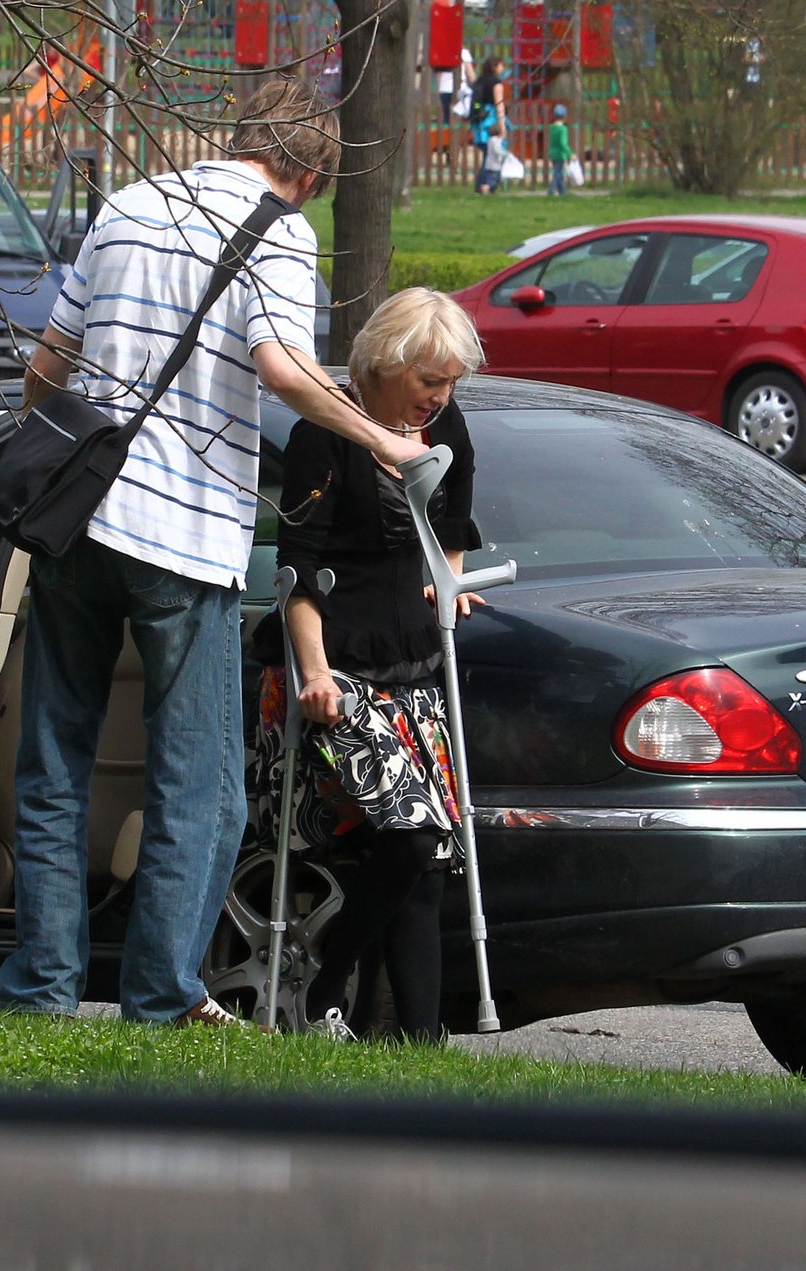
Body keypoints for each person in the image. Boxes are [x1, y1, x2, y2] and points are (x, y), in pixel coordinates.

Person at [0, 80, 428, 1029]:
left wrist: (54, 467)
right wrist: (381, 440)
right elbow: (281, 365)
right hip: (183, 537)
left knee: (53, 765)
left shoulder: (127, 205)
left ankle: (41, 991)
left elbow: (47, 366)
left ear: (238, 138)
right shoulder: (282, 227)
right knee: (202, 789)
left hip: (77, 524)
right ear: (310, 170)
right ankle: (159, 998)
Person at [249, 288, 485, 1043]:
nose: (439, 397)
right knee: (411, 836)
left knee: (420, 865)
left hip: (413, 662)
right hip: (337, 668)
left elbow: (454, 525)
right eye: (427, 380)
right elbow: (299, 570)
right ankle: (324, 981)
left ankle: (420, 1048)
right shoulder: (325, 435)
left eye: (448, 382)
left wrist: (445, 580)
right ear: (383, 365)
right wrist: (313, 672)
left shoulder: (446, 427)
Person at [470, 56, 507, 195]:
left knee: (487, 152)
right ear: (495, 67)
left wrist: (479, 110)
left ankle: (483, 184)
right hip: (491, 118)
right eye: (501, 65)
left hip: (480, 119)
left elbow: (477, 101)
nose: (502, 68)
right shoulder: (496, 83)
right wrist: (502, 124)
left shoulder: (480, 81)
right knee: (493, 152)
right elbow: (499, 103)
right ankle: (486, 185)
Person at [547, 103, 571, 196]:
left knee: (559, 173)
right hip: (560, 154)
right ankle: (551, 190)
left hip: (552, 153)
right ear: (564, 116)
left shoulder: (552, 127)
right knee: (558, 173)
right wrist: (570, 153)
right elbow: (563, 143)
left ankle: (563, 191)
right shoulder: (563, 129)